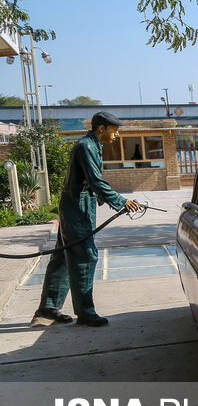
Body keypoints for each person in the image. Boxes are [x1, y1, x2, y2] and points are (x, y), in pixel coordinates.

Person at [32, 112, 140, 327]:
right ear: (101, 128)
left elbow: (91, 182)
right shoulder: (86, 146)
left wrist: (112, 201)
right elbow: (96, 180)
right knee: (86, 256)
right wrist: (120, 201)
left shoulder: (92, 145)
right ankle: (85, 313)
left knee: (63, 257)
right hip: (76, 208)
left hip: (78, 206)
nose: (117, 134)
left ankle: (48, 308)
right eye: (114, 130)